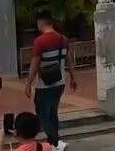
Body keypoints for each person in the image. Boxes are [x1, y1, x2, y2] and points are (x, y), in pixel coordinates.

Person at [25, 15, 75, 151]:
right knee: (53, 112)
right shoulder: (63, 39)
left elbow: (35, 63)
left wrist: (28, 83)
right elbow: (69, 60)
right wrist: (73, 78)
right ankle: (53, 142)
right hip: (60, 82)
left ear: (41, 23)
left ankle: (57, 141)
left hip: (44, 84)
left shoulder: (40, 41)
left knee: (42, 113)